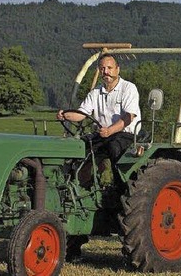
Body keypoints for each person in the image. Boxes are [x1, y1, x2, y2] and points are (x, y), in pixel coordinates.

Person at [56, 53, 141, 262]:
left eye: (110, 68)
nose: (106, 72)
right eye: (102, 68)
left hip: (124, 134)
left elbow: (129, 117)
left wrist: (111, 130)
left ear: (117, 69)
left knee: (114, 148)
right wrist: (65, 114)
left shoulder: (129, 88)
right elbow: (82, 113)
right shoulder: (96, 92)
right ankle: (80, 193)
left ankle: (122, 193)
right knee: (79, 156)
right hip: (101, 135)